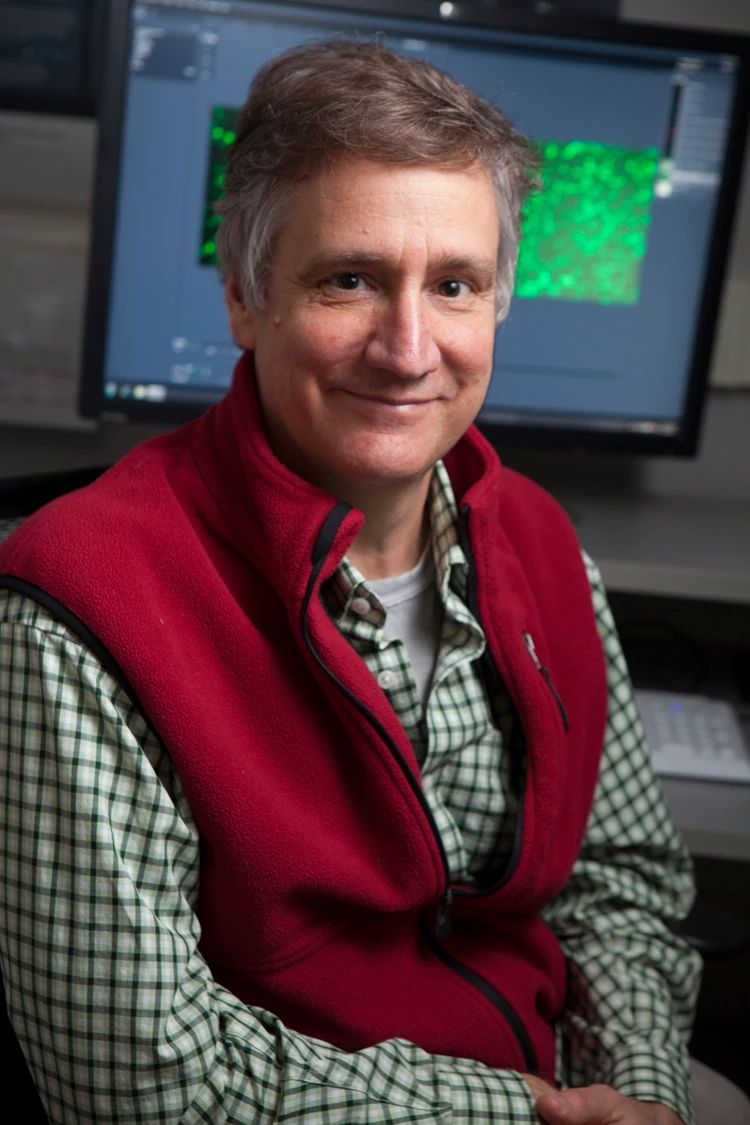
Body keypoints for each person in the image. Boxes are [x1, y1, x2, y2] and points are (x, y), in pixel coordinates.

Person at [0, 38, 748, 1125]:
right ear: (246, 303)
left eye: (454, 285)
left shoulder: (542, 548)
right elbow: (138, 1081)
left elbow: (618, 883)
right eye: (349, 280)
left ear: (499, 306)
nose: (408, 349)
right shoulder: (76, 611)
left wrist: (633, 1093)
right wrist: (527, 1113)